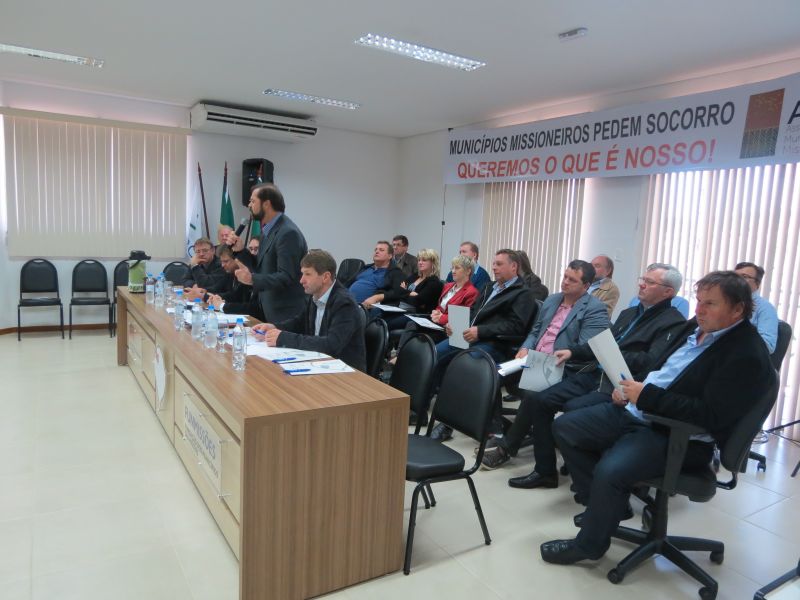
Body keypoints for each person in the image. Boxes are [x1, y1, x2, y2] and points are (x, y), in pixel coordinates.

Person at [540, 271, 774, 565]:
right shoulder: (698, 326)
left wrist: (646, 396)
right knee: (565, 427)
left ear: (737, 309)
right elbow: (662, 369)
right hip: (642, 409)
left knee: (610, 470)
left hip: (677, 435)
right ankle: (607, 506)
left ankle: (589, 545)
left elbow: (710, 415)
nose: (699, 309)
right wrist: (630, 388)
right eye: (699, 301)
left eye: (710, 304)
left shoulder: (745, 354)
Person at [482, 264, 687, 487]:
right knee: (539, 400)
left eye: (650, 282)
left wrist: (610, 354)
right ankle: (545, 471)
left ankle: (582, 470)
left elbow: (651, 362)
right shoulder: (629, 313)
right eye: (642, 279)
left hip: (620, 384)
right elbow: (597, 345)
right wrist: (573, 352)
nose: (641, 284)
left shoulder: (672, 322)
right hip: (595, 373)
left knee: (566, 406)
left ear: (668, 292)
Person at [480, 260, 609, 477]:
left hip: (564, 366)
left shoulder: (595, 309)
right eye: (565, 276)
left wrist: (552, 356)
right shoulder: (553, 300)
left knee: (533, 395)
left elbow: (587, 348)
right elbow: (536, 331)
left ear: (586, 286)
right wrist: (525, 347)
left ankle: (506, 448)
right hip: (534, 359)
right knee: (490, 375)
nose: (565, 282)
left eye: (572, 280)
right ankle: (497, 430)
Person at [430, 249, 536, 441]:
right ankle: (421, 406)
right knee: (434, 354)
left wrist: (481, 331)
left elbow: (516, 326)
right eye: (494, 263)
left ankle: (447, 424)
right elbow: (473, 313)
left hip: (496, 343)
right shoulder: (489, 287)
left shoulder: (523, 293)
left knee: (466, 366)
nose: (494, 267)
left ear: (514, 266)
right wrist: (455, 324)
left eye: (499, 264)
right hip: (470, 336)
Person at [251, 250, 366, 371]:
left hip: (345, 373)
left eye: (307, 274)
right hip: (320, 363)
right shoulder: (316, 295)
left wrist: (284, 338)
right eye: (302, 274)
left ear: (325, 277)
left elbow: (332, 345)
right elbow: (300, 323)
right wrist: (274, 327)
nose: (301, 280)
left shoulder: (344, 303)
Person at [226, 183, 308, 323]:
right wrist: (240, 250)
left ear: (266, 204)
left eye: (253, 201)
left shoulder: (288, 233)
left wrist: (252, 279)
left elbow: (286, 276)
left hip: (286, 314)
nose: (249, 205)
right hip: (269, 310)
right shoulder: (268, 230)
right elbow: (260, 267)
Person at [383, 249, 444, 330]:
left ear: (433, 263)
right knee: (380, 318)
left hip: (417, 315)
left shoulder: (434, 282)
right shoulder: (415, 276)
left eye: (424, 260)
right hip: (402, 309)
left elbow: (417, 301)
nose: (420, 262)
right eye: (419, 260)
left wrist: (404, 292)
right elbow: (397, 290)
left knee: (386, 324)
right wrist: (410, 293)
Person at [734, 261, 778, 352]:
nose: (737, 280)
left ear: (757, 284)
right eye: (734, 276)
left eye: (744, 276)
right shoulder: (725, 303)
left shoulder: (766, 308)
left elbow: (768, 345)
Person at [348, 241, 405, 308]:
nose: (377, 251)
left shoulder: (395, 272)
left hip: (365, 308)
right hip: (346, 304)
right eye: (376, 249)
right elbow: (348, 284)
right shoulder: (366, 268)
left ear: (390, 256)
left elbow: (399, 291)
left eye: (381, 250)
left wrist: (378, 297)